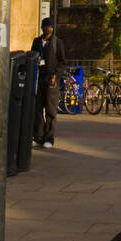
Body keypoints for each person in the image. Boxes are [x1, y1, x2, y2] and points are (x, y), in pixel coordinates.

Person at [31, 16, 67, 148]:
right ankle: (38, 135)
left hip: (51, 79)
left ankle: (49, 138)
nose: (48, 28)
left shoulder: (57, 43)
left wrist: (56, 76)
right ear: (42, 27)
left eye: (50, 26)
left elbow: (63, 62)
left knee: (51, 109)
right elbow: (31, 56)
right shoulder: (36, 42)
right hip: (39, 77)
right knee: (38, 108)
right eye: (46, 26)